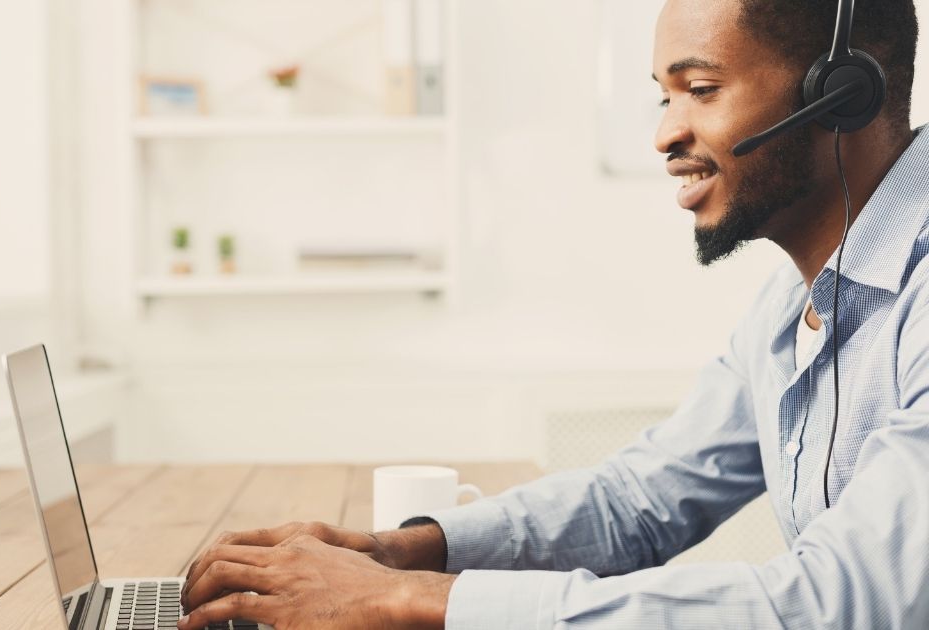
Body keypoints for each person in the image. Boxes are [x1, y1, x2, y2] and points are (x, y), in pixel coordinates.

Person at [177, 0, 929, 627]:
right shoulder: (792, 304)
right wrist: (398, 553)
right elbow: (639, 501)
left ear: (842, 90)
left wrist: (407, 600)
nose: (665, 134)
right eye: (664, 96)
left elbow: (841, 602)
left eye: (699, 88)